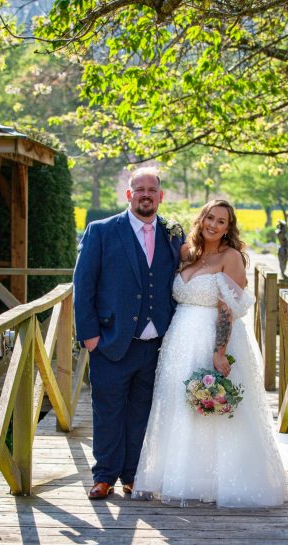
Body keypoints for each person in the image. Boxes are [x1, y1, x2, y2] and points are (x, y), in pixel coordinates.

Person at [133, 199, 288, 507]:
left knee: (213, 407)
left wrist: (220, 352)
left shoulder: (231, 257)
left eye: (221, 221)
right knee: (181, 406)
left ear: (229, 228)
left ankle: (221, 481)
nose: (213, 225)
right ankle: (184, 477)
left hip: (212, 338)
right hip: (179, 340)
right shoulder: (187, 253)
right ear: (201, 218)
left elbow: (228, 310)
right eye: (210, 218)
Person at [73, 167, 185, 499]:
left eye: (153, 189)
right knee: (107, 409)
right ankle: (104, 475)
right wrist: (89, 335)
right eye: (140, 189)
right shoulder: (102, 231)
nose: (146, 194)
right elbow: (83, 285)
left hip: (156, 344)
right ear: (129, 194)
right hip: (110, 340)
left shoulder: (173, 233)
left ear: (161, 196)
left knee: (142, 411)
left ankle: (133, 475)